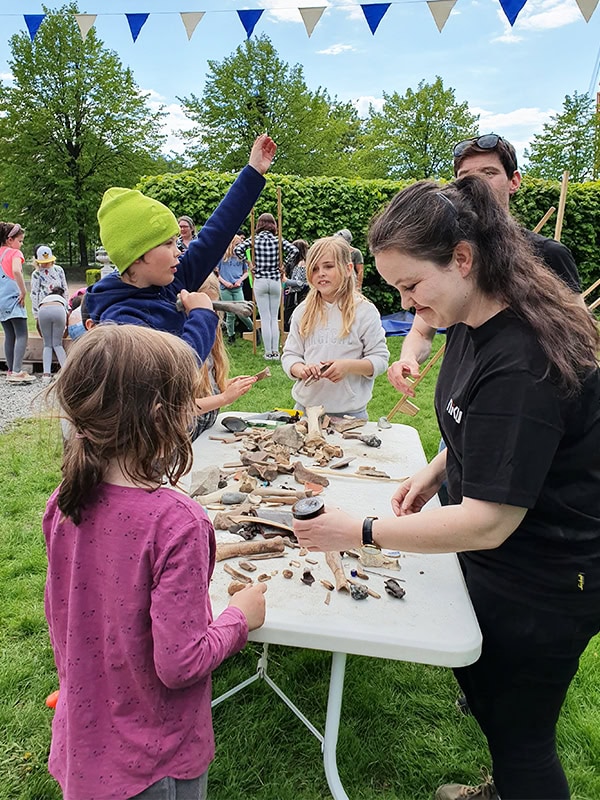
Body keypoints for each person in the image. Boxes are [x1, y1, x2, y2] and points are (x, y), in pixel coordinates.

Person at [295, 176, 600, 800]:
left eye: (411, 285)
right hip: (506, 561)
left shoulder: (524, 359)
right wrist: (437, 471)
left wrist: (358, 531)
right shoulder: (471, 315)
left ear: (463, 258)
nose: (408, 302)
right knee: (492, 705)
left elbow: (490, 520)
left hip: (549, 575)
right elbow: (475, 426)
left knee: (523, 734)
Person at [43, 323, 267, 800]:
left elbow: (65, 614)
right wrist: (239, 618)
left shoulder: (63, 500)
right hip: (154, 761)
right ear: (164, 417)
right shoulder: (177, 521)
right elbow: (181, 663)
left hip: (84, 741)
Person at [387, 133, 581, 397]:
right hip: (457, 413)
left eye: (488, 172)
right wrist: (408, 357)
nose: (474, 184)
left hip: (514, 413)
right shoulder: (448, 256)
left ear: (514, 181)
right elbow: (421, 330)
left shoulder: (548, 255)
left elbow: (579, 344)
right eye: (465, 176)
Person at [85, 134, 277, 365]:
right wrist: (202, 315)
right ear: (135, 256)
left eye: (176, 242)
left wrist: (253, 171)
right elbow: (177, 371)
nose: (177, 251)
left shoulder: (167, 282)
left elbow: (216, 233)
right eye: (167, 243)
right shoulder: (121, 321)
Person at [281, 236, 389, 418]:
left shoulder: (365, 312)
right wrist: (300, 369)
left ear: (348, 269)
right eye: (314, 268)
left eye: (328, 266)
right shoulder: (302, 311)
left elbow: (380, 359)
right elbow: (290, 355)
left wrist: (347, 366)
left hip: (351, 415)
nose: (321, 273)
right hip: (305, 411)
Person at [193, 273, 257, 436]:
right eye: (201, 311)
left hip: (202, 435)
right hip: (182, 443)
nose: (209, 316)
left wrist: (223, 386)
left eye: (213, 309)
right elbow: (180, 407)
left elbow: (204, 389)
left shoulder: (209, 339)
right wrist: (224, 398)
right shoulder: (181, 347)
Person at [235, 212, 298, 360]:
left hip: (260, 280)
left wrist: (249, 263)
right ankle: (275, 352)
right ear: (273, 225)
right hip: (275, 280)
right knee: (274, 317)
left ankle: (268, 352)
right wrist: (283, 265)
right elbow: (294, 250)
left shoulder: (254, 240)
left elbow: (237, 250)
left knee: (264, 318)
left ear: (259, 225)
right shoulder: (278, 240)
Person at [0, 222, 33, 384]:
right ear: (9, 240)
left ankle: (10, 370)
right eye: (20, 241)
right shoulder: (14, 253)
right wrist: (23, 290)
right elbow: (15, 270)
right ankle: (18, 371)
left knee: (9, 335)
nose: (21, 244)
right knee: (21, 334)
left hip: (1, 301)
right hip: (14, 299)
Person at [216, 234, 253, 343]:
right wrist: (225, 283)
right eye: (237, 244)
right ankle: (230, 335)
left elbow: (247, 272)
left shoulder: (241, 258)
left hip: (237, 287)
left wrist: (240, 280)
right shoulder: (223, 257)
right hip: (225, 288)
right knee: (230, 313)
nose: (239, 247)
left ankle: (254, 330)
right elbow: (217, 274)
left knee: (242, 311)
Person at [30, 245, 69, 326]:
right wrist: (36, 313)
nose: (46, 264)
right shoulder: (37, 274)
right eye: (43, 262)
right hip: (44, 306)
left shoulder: (58, 270)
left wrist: (66, 306)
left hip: (59, 304)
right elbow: (34, 293)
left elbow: (64, 287)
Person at [38, 285, 68, 384]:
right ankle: (65, 371)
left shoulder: (45, 299)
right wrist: (65, 335)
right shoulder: (62, 300)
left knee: (47, 345)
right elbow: (68, 318)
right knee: (57, 344)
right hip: (59, 310)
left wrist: (41, 334)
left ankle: (46, 374)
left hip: (43, 311)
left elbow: (37, 323)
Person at [283, 239, 309, 331]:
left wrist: (286, 281)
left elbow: (300, 283)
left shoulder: (302, 264)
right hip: (297, 294)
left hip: (299, 297)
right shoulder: (301, 263)